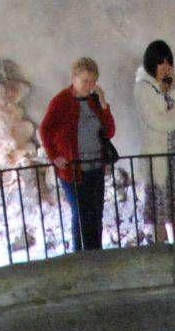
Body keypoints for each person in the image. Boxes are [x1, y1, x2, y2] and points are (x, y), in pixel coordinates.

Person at [40, 56, 119, 253]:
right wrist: (54, 156)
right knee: (81, 214)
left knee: (96, 214)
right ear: (74, 78)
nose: (89, 86)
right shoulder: (61, 101)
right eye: (85, 81)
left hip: (95, 167)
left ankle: (95, 254)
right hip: (73, 170)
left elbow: (109, 131)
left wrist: (103, 104)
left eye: (93, 81)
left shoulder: (94, 101)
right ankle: (80, 256)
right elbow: (45, 130)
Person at [133, 39, 175, 243]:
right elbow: (156, 121)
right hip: (159, 153)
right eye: (161, 62)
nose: (166, 67)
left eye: (168, 62)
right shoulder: (143, 88)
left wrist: (172, 93)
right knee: (162, 202)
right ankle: (160, 245)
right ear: (152, 63)